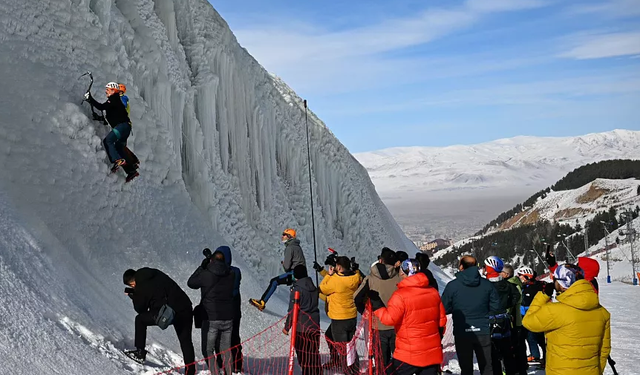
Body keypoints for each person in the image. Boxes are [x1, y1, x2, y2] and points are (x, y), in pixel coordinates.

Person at [523, 264, 611, 375]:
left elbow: (528, 322)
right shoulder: (602, 312)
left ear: (562, 284)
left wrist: (543, 295)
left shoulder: (554, 311)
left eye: (555, 279)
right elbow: (604, 349)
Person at [374, 259, 447, 375]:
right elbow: (442, 322)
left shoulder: (400, 296)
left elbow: (389, 319)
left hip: (408, 355)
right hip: (431, 354)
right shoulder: (433, 292)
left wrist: (377, 305)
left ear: (403, 273)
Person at [122, 268, 196, 375]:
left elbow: (140, 309)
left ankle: (140, 353)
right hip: (185, 307)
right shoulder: (154, 272)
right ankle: (190, 371)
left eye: (132, 286)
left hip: (169, 312)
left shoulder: (140, 286)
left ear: (132, 282)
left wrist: (133, 295)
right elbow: (156, 291)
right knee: (186, 341)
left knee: (140, 320)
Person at [441, 255, 500, 375]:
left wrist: (457, 309)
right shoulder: (487, 285)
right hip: (483, 329)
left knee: (466, 368)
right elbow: (496, 307)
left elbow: (444, 308)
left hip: (462, 330)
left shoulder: (452, 286)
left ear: (461, 267)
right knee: (487, 367)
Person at [187, 250, 235, 374]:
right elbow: (223, 269)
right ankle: (229, 373)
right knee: (226, 350)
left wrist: (202, 267)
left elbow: (191, 283)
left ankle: (215, 373)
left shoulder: (206, 274)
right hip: (228, 318)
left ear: (211, 261)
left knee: (208, 350)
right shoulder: (231, 274)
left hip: (211, 318)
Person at [354, 247, 400, 373]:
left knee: (380, 362)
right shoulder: (400, 278)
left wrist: (366, 312)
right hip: (398, 326)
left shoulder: (370, 279)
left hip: (377, 325)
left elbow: (357, 298)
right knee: (399, 362)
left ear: (380, 260)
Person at [319, 256, 362, 375]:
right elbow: (359, 276)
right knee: (349, 345)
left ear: (339, 267)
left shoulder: (336, 280)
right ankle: (352, 367)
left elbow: (322, 289)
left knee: (343, 348)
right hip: (351, 317)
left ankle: (349, 371)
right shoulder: (355, 277)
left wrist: (329, 274)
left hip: (339, 319)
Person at [85, 82, 135, 176]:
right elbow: (110, 116)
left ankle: (117, 160)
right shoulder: (115, 102)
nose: (106, 91)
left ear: (113, 90)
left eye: (107, 90)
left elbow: (101, 107)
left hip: (121, 127)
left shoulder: (113, 99)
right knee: (119, 148)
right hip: (126, 127)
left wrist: (90, 98)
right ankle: (131, 171)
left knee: (108, 141)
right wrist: (98, 118)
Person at [250, 229, 306, 311]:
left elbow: (287, 267)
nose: (282, 236)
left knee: (274, 281)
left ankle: (262, 302)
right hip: (301, 274)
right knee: (296, 293)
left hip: (294, 273)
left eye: (284, 234)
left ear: (289, 237)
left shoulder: (289, 248)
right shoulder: (297, 247)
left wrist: (284, 264)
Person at [483, 256, 519, 375]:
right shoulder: (508, 285)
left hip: (489, 324)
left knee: (492, 356)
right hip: (504, 321)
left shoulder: (483, 286)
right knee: (507, 353)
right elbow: (516, 297)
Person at [284, 265, 321, 375]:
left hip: (302, 327)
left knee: (303, 355)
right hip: (314, 325)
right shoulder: (314, 287)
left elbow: (292, 311)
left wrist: (287, 327)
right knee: (314, 354)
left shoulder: (297, 290)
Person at [216, 246, 244, 374]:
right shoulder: (236, 271)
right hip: (235, 312)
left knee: (220, 338)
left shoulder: (225, 272)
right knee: (234, 339)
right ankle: (237, 365)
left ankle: (223, 363)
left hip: (223, 312)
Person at [517, 267, 547, 366]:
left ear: (526, 276)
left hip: (536, 314)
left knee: (539, 338)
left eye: (520, 275)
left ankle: (546, 357)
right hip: (525, 315)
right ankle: (535, 355)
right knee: (529, 337)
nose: (518, 277)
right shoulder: (523, 286)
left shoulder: (536, 286)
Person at [502, 264, 526, 375]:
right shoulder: (516, 283)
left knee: (514, 348)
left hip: (513, 321)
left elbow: (511, 304)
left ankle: (516, 370)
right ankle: (521, 368)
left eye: (501, 272)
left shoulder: (510, 285)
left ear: (506, 274)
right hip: (518, 320)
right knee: (519, 347)